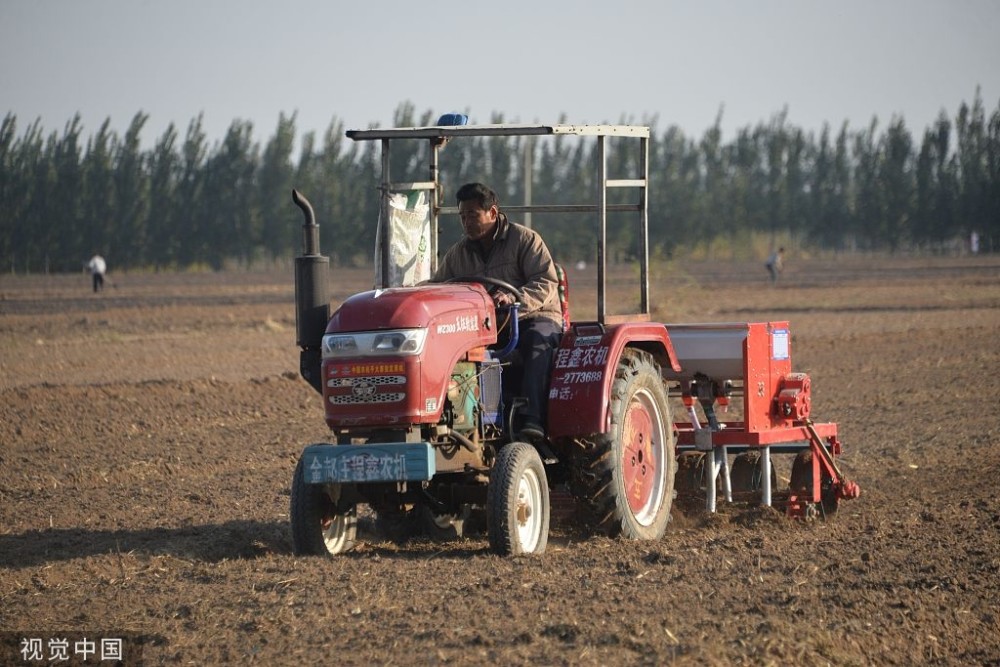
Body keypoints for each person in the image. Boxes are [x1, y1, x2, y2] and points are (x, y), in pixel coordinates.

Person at [432, 182, 563, 441]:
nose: (466, 222)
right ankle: (465, 422)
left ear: (492, 213)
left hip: (533, 316)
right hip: (488, 326)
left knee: (535, 342)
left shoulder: (525, 239)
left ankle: (532, 419)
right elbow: (439, 286)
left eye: (472, 215)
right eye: (461, 216)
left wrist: (515, 297)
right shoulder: (459, 253)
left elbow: (545, 281)